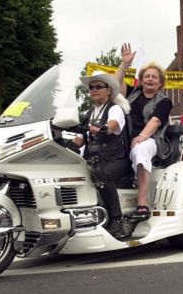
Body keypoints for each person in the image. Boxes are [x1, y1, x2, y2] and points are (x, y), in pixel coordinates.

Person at [115, 43, 173, 217]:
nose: (150, 79)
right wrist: (124, 64)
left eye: (154, 77)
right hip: (126, 139)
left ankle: (142, 198)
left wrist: (140, 137)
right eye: (147, 76)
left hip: (151, 140)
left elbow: (155, 121)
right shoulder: (133, 93)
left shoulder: (164, 101)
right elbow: (115, 85)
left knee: (141, 149)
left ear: (160, 82)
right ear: (141, 79)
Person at [72, 73, 132, 239]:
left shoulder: (114, 109)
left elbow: (113, 125)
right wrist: (65, 143)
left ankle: (117, 221)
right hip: (94, 161)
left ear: (108, 90)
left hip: (116, 160)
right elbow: (80, 139)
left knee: (101, 175)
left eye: (99, 87)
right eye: (92, 87)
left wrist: (103, 128)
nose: (94, 90)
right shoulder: (88, 113)